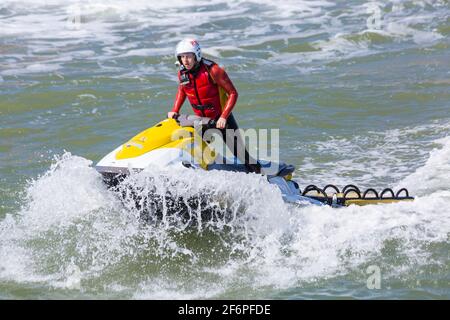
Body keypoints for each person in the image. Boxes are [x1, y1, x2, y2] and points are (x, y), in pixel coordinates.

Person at [168, 38, 261, 173]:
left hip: (221, 119)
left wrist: (224, 117)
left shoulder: (213, 70)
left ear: (196, 55)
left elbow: (233, 93)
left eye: (188, 56)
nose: (185, 60)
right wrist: (175, 110)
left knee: (240, 154)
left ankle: (262, 178)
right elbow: (182, 91)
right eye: (182, 57)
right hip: (201, 121)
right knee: (197, 152)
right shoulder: (182, 73)